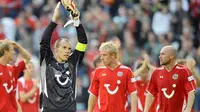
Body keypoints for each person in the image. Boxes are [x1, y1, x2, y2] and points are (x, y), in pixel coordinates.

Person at [39, 1, 87, 112]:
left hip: (69, 109)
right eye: (64, 48)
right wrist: (53, 21)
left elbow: (83, 42)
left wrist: (77, 22)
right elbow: (44, 42)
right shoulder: (47, 61)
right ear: (56, 49)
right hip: (49, 109)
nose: (67, 51)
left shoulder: (73, 61)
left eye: (69, 49)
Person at [88, 42, 137, 112]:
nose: (101, 58)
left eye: (104, 55)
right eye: (101, 55)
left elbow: (133, 93)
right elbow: (93, 93)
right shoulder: (98, 71)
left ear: (113, 55)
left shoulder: (127, 71)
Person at [144, 45, 196, 112]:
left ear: (171, 56)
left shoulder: (184, 71)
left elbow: (191, 92)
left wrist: (188, 109)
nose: (160, 57)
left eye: (163, 54)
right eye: (160, 54)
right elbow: (150, 93)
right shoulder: (156, 72)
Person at [0, 39, 31, 112]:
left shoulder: (12, 69)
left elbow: (28, 58)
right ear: (5, 52)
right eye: (12, 50)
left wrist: (18, 46)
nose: (14, 52)